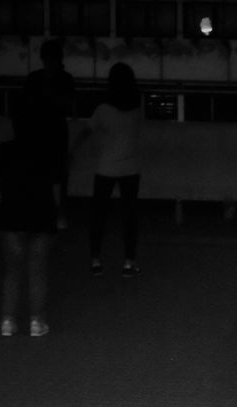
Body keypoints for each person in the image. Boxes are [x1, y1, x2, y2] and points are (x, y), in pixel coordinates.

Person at [0, 94, 59, 338]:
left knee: (12, 270)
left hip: (11, 214)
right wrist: (59, 213)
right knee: (37, 270)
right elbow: (54, 186)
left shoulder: (3, 150)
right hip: (41, 213)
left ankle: (8, 321)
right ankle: (36, 321)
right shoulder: (48, 152)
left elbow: (0, 184)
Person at [86, 63, 143, 278]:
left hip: (106, 167)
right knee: (130, 216)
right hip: (130, 167)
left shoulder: (103, 110)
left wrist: (72, 149)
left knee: (98, 215)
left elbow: (88, 130)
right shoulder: (137, 106)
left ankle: (95, 259)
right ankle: (129, 261)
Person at [23, 38, 75, 229]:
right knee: (58, 177)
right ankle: (57, 215)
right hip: (53, 132)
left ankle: (45, 214)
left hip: (39, 133)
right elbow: (67, 105)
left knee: (46, 175)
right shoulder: (65, 79)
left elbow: (26, 107)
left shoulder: (35, 79)